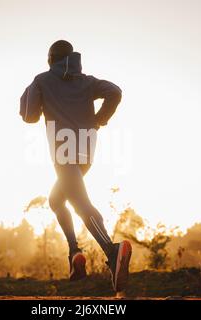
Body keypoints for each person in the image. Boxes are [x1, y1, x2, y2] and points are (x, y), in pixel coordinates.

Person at [20, 40, 131, 292]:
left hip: (62, 151)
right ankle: (75, 254)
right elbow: (115, 91)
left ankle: (112, 251)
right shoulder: (86, 81)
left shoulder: (43, 81)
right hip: (85, 153)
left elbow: (29, 115)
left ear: (50, 59)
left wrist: (32, 88)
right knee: (57, 200)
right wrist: (99, 119)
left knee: (80, 203)